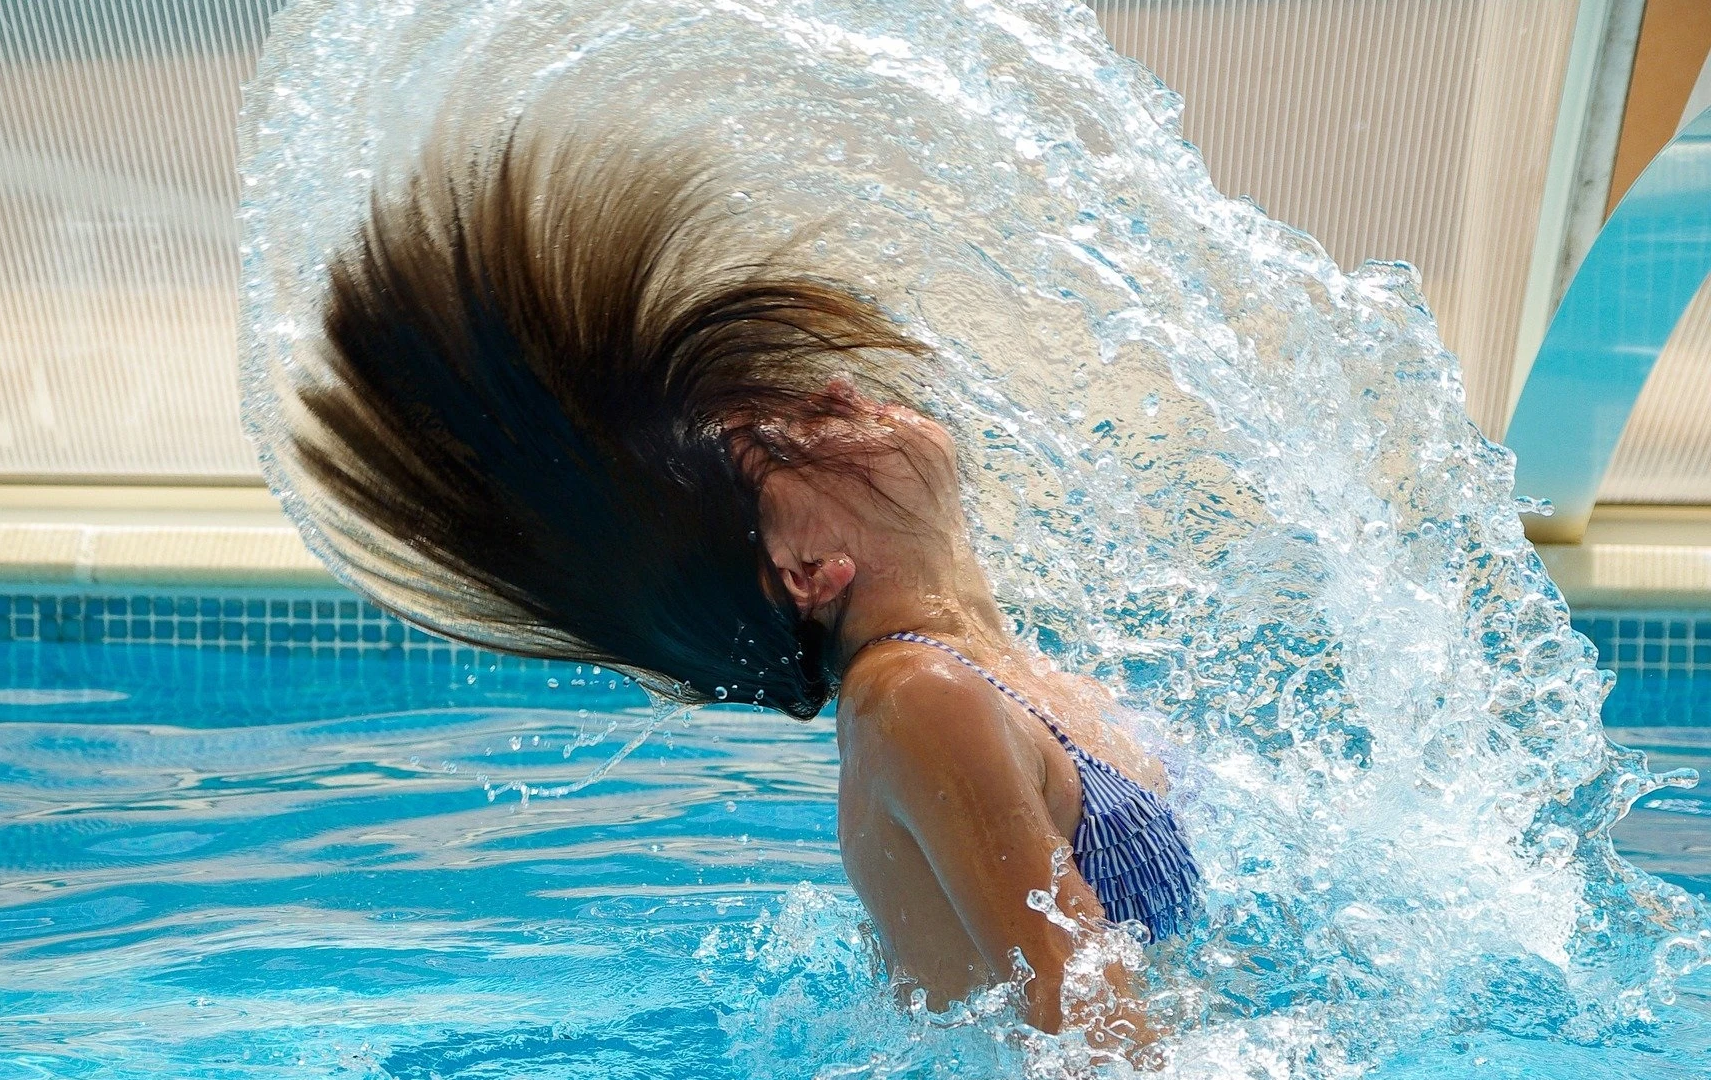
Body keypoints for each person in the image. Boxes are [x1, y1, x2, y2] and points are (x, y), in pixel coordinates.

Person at [280, 114, 1199, 1049]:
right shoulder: (918, 699)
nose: (837, 395)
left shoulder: (994, 677)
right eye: (782, 436)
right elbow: (1088, 1026)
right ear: (807, 571)